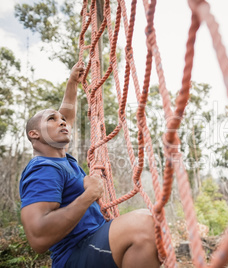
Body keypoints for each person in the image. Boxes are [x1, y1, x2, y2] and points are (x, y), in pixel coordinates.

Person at [19, 65, 161, 268]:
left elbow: (66, 116)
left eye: (62, 120)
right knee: (146, 226)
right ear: (34, 134)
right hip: (75, 255)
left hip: (94, 240)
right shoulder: (44, 168)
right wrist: (89, 195)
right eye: (52, 119)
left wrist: (72, 83)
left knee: (152, 223)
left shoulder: (63, 160)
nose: (63, 123)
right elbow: (38, 237)